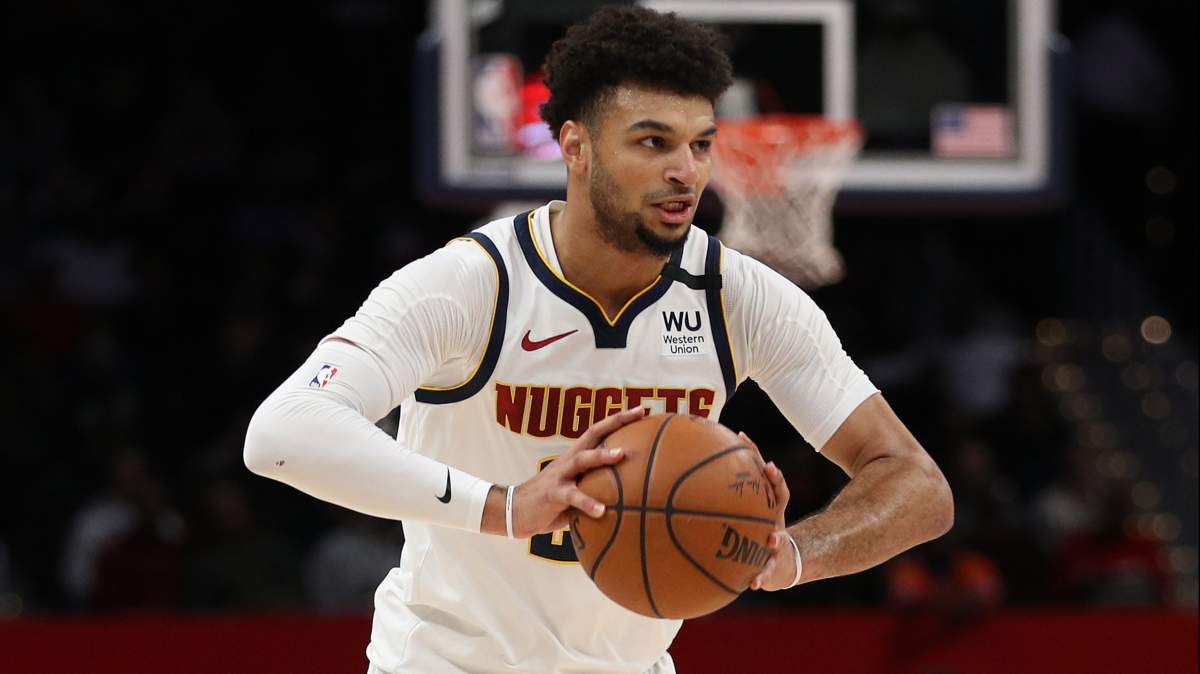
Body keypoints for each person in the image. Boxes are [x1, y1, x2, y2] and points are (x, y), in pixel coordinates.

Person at [243, 6, 953, 673]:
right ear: (575, 146)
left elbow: (918, 485)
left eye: (701, 145)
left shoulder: (739, 298)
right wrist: (506, 508)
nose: (685, 171)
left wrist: (790, 553)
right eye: (652, 142)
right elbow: (283, 432)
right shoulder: (470, 285)